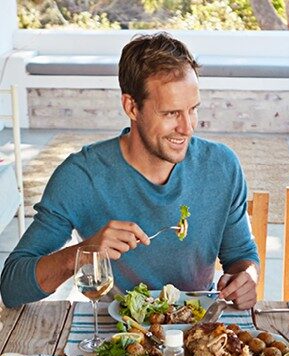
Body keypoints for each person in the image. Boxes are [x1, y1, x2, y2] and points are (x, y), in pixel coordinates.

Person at [0, 33, 259, 309]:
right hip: (114, 330)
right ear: (131, 107)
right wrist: (83, 254)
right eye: (171, 113)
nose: (187, 128)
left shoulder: (221, 166)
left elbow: (242, 257)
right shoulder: (81, 176)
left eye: (192, 109)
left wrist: (247, 278)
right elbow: (12, 287)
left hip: (198, 327)